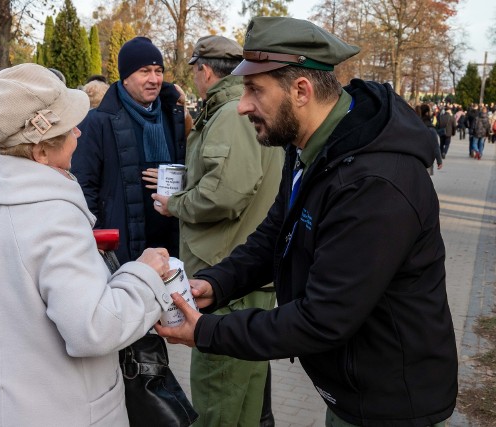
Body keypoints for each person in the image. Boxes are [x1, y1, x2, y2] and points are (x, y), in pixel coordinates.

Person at [156, 17, 458, 426]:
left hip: (393, 406)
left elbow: (322, 318)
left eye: (254, 90)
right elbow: (275, 234)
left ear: (301, 91)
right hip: (352, 391)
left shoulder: (375, 184)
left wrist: (207, 333)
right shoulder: (309, 146)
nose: (243, 106)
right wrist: (218, 282)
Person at [0, 63, 173, 426]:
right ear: (39, 152)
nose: (79, 132)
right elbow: (94, 329)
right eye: (68, 128)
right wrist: (145, 275)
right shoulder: (49, 213)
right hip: (55, 408)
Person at [151, 35, 283, 427]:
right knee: (242, 395)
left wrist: (175, 204)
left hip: (228, 275)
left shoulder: (228, 114)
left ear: (205, 70)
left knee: (219, 396)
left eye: (194, 71)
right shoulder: (236, 111)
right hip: (243, 273)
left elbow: (226, 193)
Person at [73, 37, 188, 264]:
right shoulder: (98, 122)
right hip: (120, 248)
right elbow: (84, 187)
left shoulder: (173, 117)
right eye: (144, 71)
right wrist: (100, 241)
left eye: (158, 71)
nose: (154, 79)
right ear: (125, 77)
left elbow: (189, 170)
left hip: (170, 245)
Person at [417, 104, 443, 175]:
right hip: (427, 158)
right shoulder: (430, 128)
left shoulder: (415, 125)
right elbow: (435, 146)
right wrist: (439, 161)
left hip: (416, 158)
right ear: (427, 113)